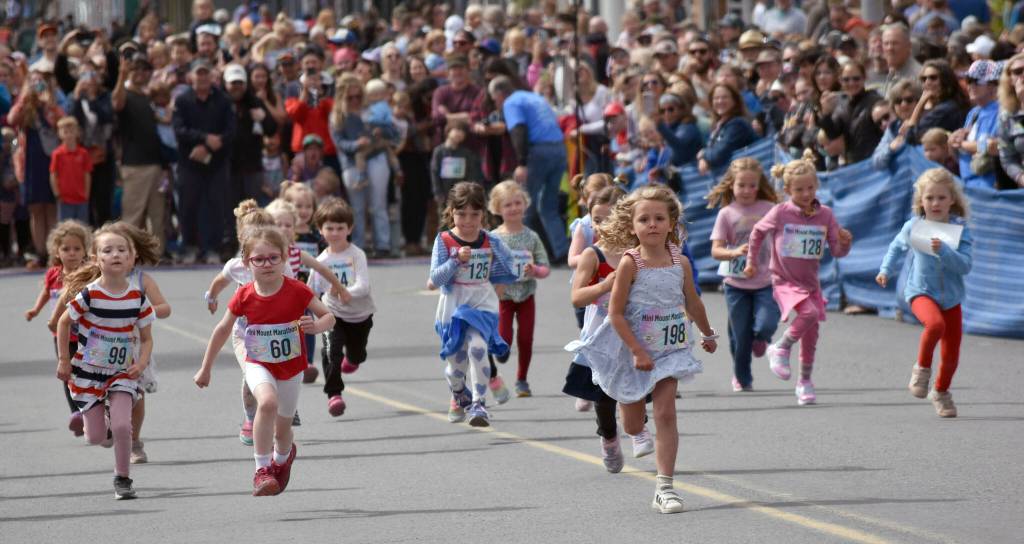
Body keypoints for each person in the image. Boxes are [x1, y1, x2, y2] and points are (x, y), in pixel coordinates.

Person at [570, 185, 718, 514]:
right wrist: (637, 351)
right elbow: (616, 313)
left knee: (666, 411)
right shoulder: (629, 263)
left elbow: (693, 302)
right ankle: (637, 429)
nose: (652, 224)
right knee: (633, 424)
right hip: (632, 350)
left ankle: (664, 487)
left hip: (670, 349)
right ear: (632, 226)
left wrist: (708, 333)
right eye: (644, 219)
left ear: (671, 223)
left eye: (659, 218)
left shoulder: (681, 261)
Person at [195, 226, 335, 496]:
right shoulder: (245, 294)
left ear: (284, 259)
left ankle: (283, 458)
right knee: (267, 402)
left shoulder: (297, 290)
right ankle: (262, 470)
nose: (267, 264)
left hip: (291, 367)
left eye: (273, 258)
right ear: (247, 263)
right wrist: (205, 368)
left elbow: (328, 316)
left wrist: (316, 327)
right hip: (258, 361)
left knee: (283, 431)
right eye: (259, 259)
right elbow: (223, 329)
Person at [56, 225, 157, 500]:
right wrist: (64, 360)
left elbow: (147, 338)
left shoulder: (137, 298)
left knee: (125, 426)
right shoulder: (89, 294)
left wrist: (141, 363)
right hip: (88, 372)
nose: (115, 255)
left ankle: (122, 478)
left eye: (122, 250)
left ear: (132, 257)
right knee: (96, 437)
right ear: (96, 258)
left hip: (122, 372)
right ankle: (104, 425)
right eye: (107, 250)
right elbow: (64, 323)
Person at [745, 157, 853, 406]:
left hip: (810, 283)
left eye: (810, 188)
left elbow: (836, 251)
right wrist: (752, 261)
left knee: (811, 333)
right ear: (787, 191)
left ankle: (805, 382)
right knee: (810, 313)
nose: (805, 194)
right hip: (783, 279)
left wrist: (845, 242)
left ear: (817, 186)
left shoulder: (825, 215)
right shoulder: (781, 212)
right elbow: (757, 232)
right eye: (799, 189)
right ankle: (780, 347)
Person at [563, 186, 655, 472]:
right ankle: (609, 439)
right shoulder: (593, 256)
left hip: (635, 329)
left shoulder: (639, 252)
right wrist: (604, 285)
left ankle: (638, 430)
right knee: (603, 395)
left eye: (608, 218)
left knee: (639, 381)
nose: (602, 226)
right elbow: (577, 297)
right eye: (596, 219)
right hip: (601, 330)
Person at [876, 168, 972, 417]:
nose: (936, 203)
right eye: (930, 198)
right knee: (935, 325)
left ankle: (940, 391)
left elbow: (965, 265)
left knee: (951, 356)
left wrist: (946, 252)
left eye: (941, 197)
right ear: (921, 201)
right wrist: (885, 270)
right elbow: (896, 247)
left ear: (952, 200)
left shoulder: (960, 230)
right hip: (921, 292)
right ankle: (922, 370)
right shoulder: (914, 226)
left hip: (950, 299)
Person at [429, 182, 519, 427]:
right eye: (461, 214)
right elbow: (436, 278)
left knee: (479, 348)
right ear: (451, 212)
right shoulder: (445, 240)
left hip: (481, 305)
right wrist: (455, 261)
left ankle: (479, 404)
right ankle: (458, 393)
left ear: (483, 215)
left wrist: (495, 293)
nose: (468, 221)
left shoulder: (491, 241)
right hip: (453, 306)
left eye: (475, 214)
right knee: (455, 365)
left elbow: (507, 270)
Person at [708, 158, 782, 392]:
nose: (748, 190)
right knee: (739, 337)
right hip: (736, 283)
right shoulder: (726, 214)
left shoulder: (769, 209)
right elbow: (716, 250)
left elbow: (784, 237)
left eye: (753, 185)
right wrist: (733, 252)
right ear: (732, 185)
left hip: (766, 281)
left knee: (767, 324)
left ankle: (761, 338)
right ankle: (743, 377)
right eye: (742, 185)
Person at [488, 75, 569, 261]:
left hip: (538, 152)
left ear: (500, 94)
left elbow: (519, 130)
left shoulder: (511, 103)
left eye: (494, 99)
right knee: (549, 206)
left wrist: (522, 163)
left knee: (524, 204)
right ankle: (561, 250)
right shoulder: (534, 97)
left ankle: (522, 253)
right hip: (558, 149)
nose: (496, 104)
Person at [307, 198, 375, 416]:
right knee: (330, 352)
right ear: (320, 230)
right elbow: (310, 291)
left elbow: (363, 286)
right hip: (332, 314)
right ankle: (334, 394)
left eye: (340, 228)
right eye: (329, 228)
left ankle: (353, 359)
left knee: (357, 353)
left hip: (360, 315)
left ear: (350, 229)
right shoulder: (321, 260)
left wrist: (347, 292)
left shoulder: (356, 255)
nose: (335, 233)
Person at [24, 220, 88, 436]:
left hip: (86, 334)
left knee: (87, 372)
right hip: (60, 334)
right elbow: (45, 293)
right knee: (67, 372)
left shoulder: (88, 273)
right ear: (56, 251)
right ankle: (76, 413)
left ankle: (93, 409)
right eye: (66, 249)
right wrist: (35, 309)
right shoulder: (53, 274)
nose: (71, 253)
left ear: (85, 250)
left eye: (77, 248)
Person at [488, 181, 550, 397]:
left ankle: (522, 380)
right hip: (503, 295)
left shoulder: (531, 236)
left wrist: (535, 270)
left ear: (525, 204)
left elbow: (545, 267)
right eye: (507, 205)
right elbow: (486, 267)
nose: (513, 208)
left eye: (517, 203)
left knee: (526, 338)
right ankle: (500, 353)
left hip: (526, 295)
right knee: (504, 339)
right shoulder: (494, 237)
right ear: (497, 209)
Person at [173, 59, 236, 264]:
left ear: (212, 76)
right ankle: (190, 247)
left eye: (205, 73)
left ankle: (212, 249)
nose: (201, 78)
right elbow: (179, 130)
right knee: (188, 205)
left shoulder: (223, 100)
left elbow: (231, 131)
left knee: (216, 206)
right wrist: (202, 139)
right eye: (198, 74)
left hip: (217, 163)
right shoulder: (182, 100)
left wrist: (209, 146)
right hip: (189, 162)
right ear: (191, 77)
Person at [111, 54, 166, 257]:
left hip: (156, 164)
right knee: (132, 215)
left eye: (144, 69)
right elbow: (116, 103)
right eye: (136, 69)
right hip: (135, 165)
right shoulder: (124, 94)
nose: (140, 73)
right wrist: (121, 74)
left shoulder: (147, 97)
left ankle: (155, 255)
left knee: (157, 216)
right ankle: (124, 255)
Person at [818, 61, 884, 164]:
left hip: (876, 161)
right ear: (840, 80)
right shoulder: (842, 105)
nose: (851, 83)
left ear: (864, 78)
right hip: (854, 164)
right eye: (846, 79)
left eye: (856, 78)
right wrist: (826, 114)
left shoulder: (875, 101)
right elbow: (833, 134)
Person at [950, 60, 1001, 190]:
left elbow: (993, 146)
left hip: (990, 189)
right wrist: (953, 141)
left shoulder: (1002, 112)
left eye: (975, 81)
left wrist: (961, 144)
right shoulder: (974, 112)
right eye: (968, 81)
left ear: (993, 85)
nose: (970, 86)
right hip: (969, 186)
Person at [904, 60, 969, 146]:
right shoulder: (942, 105)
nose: (927, 82)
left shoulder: (946, 108)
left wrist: (920, 104)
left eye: (933, 78)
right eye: (923, 79)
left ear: (945, 80)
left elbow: (911, 137)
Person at [698, 83, 757, 174]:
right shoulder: (719, 124)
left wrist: (703, 154)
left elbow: (718, 155)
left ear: (735, 100)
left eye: (725, 97)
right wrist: (703, 158)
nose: (720, 101)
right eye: (716, 98)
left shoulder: (737, 124)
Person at [49, 117, 92, 222]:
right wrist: (57, 194)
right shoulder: (57, 154)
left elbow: (87, 174)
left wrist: (86, 193)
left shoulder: (83, 153)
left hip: (81, 199)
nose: (68, 135)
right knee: (65, 228)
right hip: (65, 200)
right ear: (59, 134)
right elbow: (53, 175)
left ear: (77, 132)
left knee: (82, 227)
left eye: (72, 131)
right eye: (65, 132)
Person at [997, 52, 1024, 188]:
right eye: (1018, 71)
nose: (1023, 75)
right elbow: (1007, 158)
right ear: (1010, 80)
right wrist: (1020, 177)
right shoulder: (1007, 116)